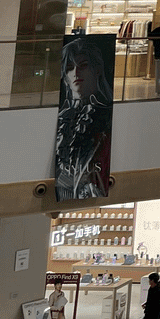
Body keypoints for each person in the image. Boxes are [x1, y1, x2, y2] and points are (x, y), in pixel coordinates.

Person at [55, 35, 114, 200]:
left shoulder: (104, 116)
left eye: (83, 66)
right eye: (69, 68)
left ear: (97, 69)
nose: (75, 73)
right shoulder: (62, 118)